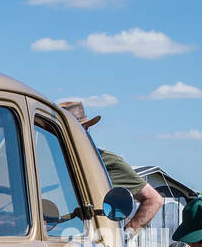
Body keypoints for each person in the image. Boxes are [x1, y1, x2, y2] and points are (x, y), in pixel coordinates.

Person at [58, 100, 163, 234]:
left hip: (92, 245)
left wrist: (127, 234)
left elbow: (153, 199)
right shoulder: (41, 158)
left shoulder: (105, 161)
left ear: (85, 129)